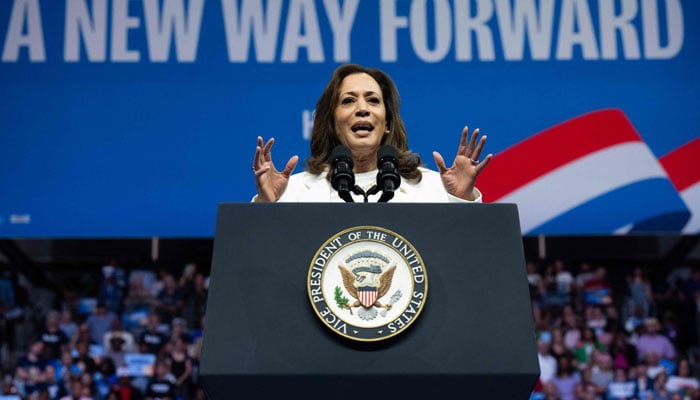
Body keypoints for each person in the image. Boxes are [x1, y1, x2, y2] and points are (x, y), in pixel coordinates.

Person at [251, 63, 491, 203]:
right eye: (348, 101)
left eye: (373, 100)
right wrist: (266, 206)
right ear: (332, 122)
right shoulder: (293, 193)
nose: (362, 109)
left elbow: (466, 258)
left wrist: (462, 201)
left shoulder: (433, 189)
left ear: (386, 122)